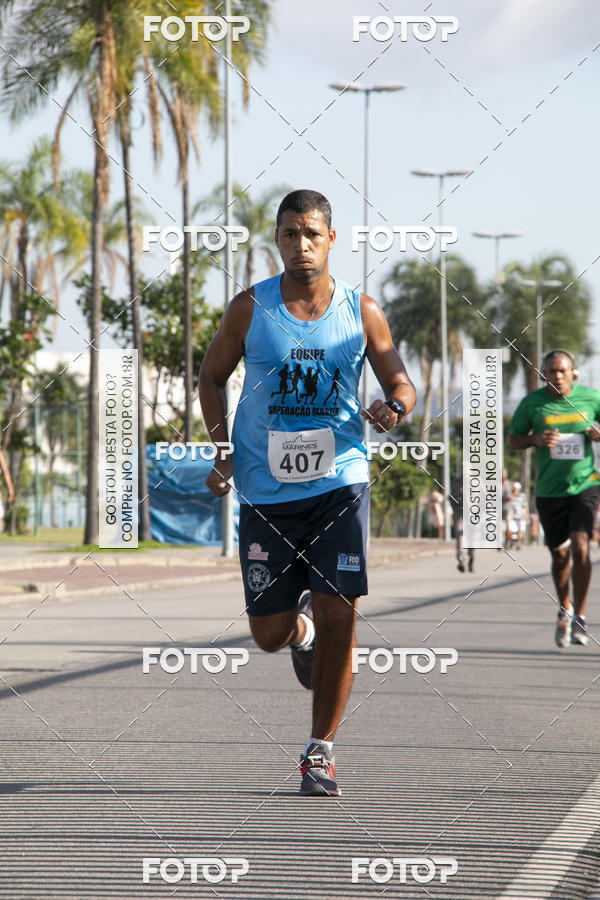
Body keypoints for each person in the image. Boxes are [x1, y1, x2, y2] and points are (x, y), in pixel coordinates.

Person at [200, 189, 416, 796]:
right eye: (291, 234)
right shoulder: (250, 309)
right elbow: (211, 377)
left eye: (312, 233)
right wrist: (221, 450)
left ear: (332, 239)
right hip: (267, 492)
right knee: (267, 633)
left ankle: (319, 750)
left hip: (338, 481)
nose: (301, 244)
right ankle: (302, 634)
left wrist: (395, 404)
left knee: (341, 612)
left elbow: (398, 376)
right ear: (278, 240)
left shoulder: (361, 309)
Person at [509, 349, 600, 647]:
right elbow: (514, 439)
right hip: (549, 491)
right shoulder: (532, 404)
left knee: (582, 546)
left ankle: (580, 618)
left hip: (584, 485)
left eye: (562, 371)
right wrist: (535, 439)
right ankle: (565, 608)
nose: (556, 376)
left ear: (573, 372)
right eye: (550, 371)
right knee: (560, 555)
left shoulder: (590, 397)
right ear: (543, 374)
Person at [450, 475, 474, 572]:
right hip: (459, 511)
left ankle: (472, 556)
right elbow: (450, 497)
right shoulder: (455, 482)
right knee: (459, 534)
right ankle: (461, 559)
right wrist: (458, 495)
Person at [505, 481, 528, 550]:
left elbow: (525, 506)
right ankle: (509, 541)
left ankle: (517, 543)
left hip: (520, 516)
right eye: (513, 488)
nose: (514, 489)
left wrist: (526, 514)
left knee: (520, 532)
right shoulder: (510, 495)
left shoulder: (522, 496)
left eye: (515, 488)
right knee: (509, 531)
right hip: (511, 516)